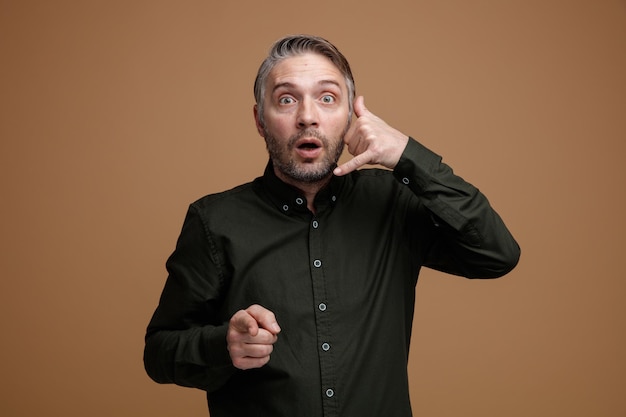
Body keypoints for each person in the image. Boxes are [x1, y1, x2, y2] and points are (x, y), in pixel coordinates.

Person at [144, 34, 520, 417]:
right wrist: (222, 345)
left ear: (350, 116)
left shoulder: (392, 203)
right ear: (260, 120)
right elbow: (159, 353)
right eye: (287, 99)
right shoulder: (214, 220)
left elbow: (496, 254)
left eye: (327, 98)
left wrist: (408, 155)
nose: (308, 116)